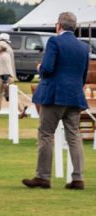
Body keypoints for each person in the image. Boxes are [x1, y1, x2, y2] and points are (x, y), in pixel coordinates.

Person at [22, 11, 89, 190]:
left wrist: (40, 67)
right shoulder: (83, 47)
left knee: (46, 134)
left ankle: (43, 177)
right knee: (74, 136)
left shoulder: (54, 41)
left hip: (55, 96)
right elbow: (83, 76)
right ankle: (78, 178)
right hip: (74, 96)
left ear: (58, 25)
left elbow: (48, 68)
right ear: (75, 27)